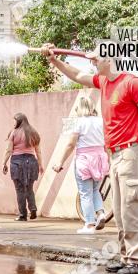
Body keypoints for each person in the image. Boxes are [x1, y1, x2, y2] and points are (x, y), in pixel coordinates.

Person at [42, 43, 138, 274]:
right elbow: (76, 74)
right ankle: (127, 257)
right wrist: (55, 60)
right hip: (114, 154)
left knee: (132, 208)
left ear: (110, 59)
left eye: (96, 58)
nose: (92, 61)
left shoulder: (132, 83)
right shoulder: (103, 83)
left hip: (131, 152)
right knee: (121, 211)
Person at [52, 96, 109, 234]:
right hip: (100, 158)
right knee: (95, 190)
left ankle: (89, 224)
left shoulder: (78, 122)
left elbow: (71, 144)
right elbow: (107, 142)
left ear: (79, 108)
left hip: (84, 160)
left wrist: (60, 162)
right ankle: (100, 213)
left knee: (85, 193)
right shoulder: (101, 121)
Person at [1, 113, 44, 221]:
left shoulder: (14, 132)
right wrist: (40, 165)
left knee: (20, 190)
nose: (13, 123)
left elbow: (9, 150)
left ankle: (22, 215)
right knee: (29, 188)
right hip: (31, 161)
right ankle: (33, 208)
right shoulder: (34, 132)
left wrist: (4, 163)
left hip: (17, 162)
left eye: (14, 121)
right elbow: (38, 151)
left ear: (19, 121)